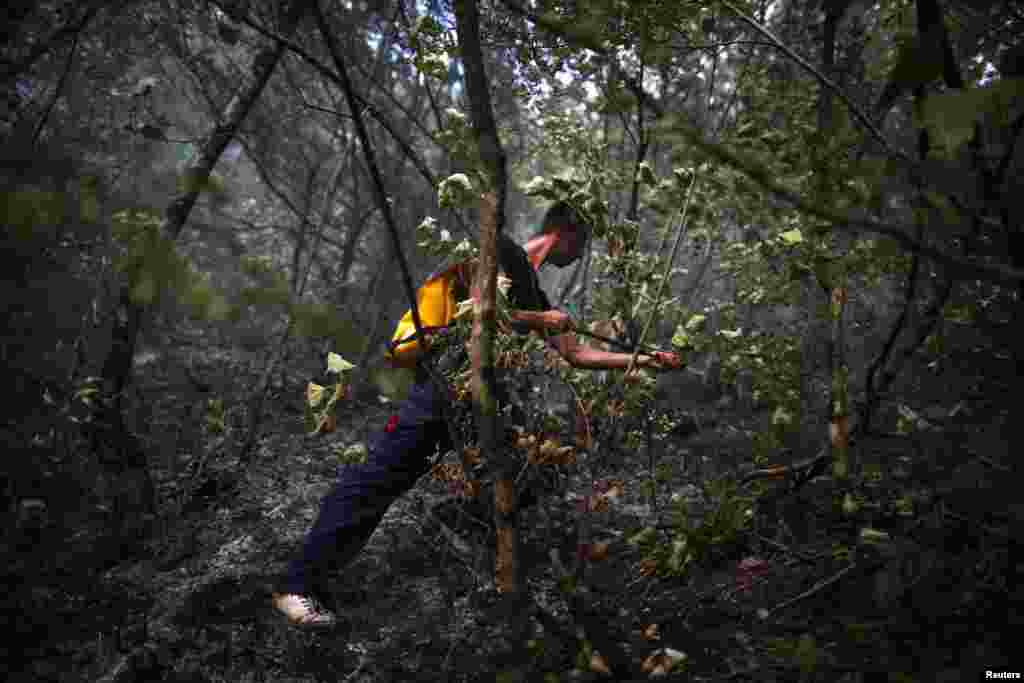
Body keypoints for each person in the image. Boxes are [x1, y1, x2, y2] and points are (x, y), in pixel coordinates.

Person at [272, 201, 683, 627]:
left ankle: (463, 529)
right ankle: (298, 585)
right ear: (568, 232)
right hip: (445, 389)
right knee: (374, 481)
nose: (581, 254)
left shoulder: (526, 279)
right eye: (584, 241)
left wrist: (641, 359)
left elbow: (574, 352)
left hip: (486, 402)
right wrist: (540, 317)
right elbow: (476, 316)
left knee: (540, 464)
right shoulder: (496, 251)